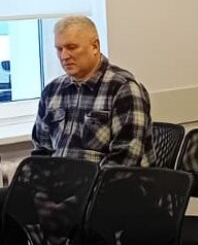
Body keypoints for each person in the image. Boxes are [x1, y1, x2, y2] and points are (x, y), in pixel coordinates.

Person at [31, 15, 154, 165]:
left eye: (71, 47)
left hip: (108, 178)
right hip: (60, 178)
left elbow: (126, 158)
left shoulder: (123, 88)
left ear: (95, 47)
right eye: (59, 49)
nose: (64, 56)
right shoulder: (52, 91)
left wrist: (80, 180)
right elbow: (41, 151)